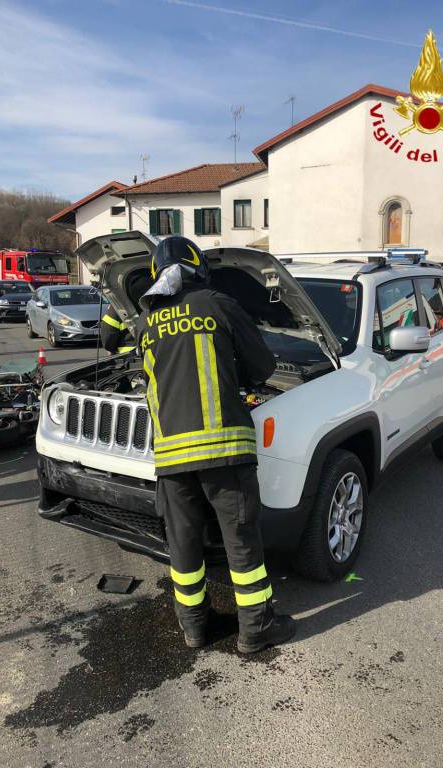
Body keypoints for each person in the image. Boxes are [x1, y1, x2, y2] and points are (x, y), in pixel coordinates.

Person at [138, 235, 295, 654]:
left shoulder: (146, 321)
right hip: (224, 450)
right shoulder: (217, 304)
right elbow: (262, 366)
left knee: (184, 546)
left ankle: (194, 628)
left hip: (171, 458)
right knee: (241, 540)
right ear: (198, 268)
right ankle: (255, 629)